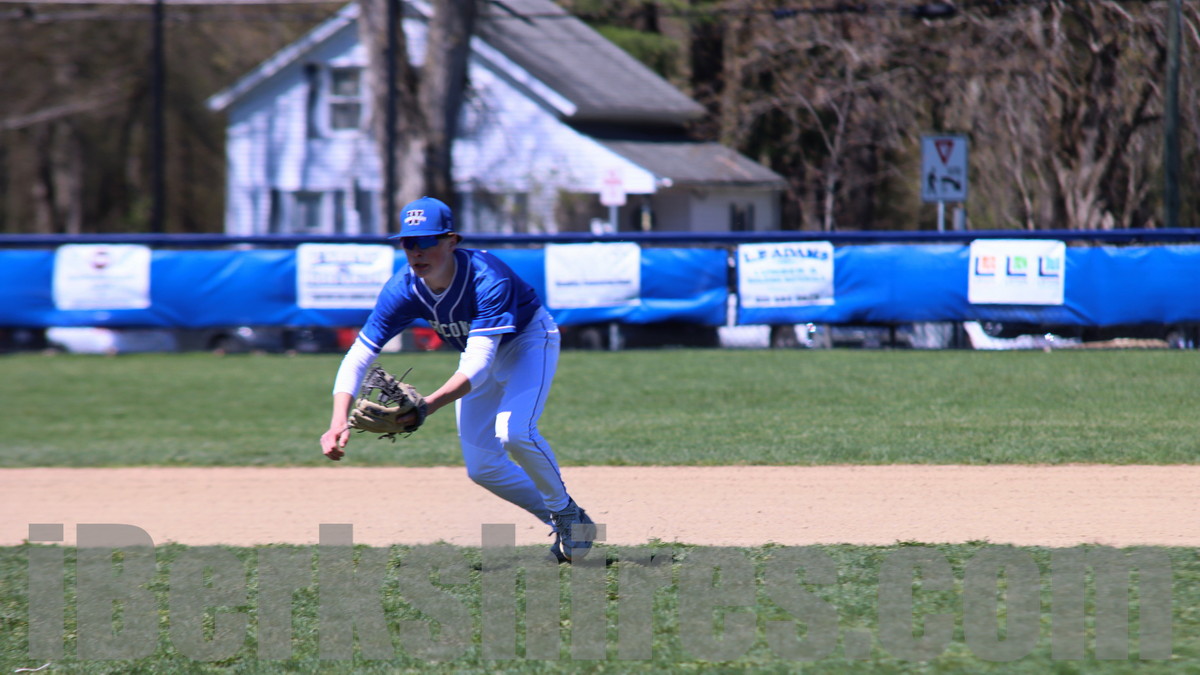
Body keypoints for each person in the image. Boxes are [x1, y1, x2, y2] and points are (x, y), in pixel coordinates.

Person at [319, 196, 595, 562]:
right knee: (483, 468)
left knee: (514, 431)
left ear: (452, 241)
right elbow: (359, 354)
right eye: (408, 242)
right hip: (476, 354)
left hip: (527, 342)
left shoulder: (487, 278)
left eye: (427, 240)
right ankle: (571, 522)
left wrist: (426, 407)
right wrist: (337, 420)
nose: (417, 251)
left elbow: (479, 365)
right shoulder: (402, 288)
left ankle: (565, 513)